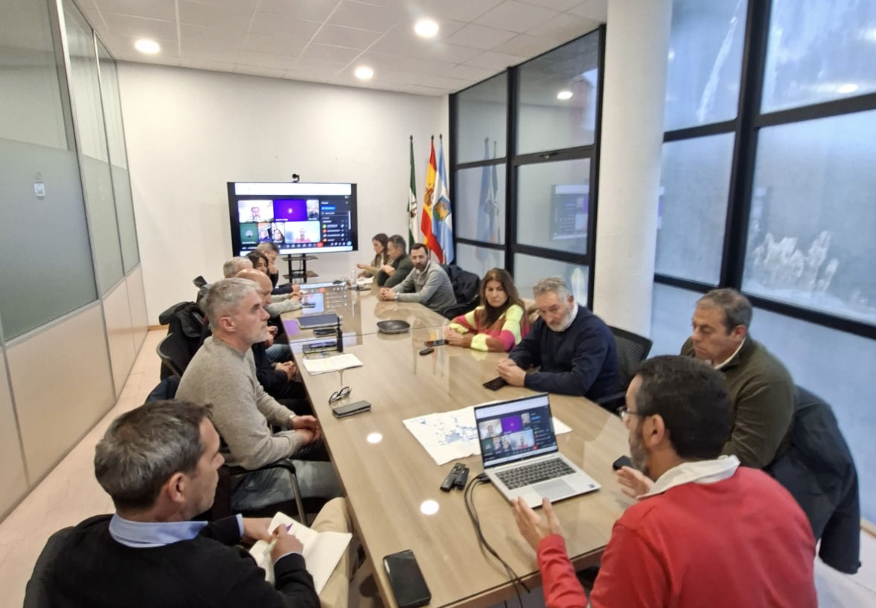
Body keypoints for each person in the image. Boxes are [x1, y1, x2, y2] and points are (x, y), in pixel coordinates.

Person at [512, 356, 817, 608]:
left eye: (628, 413)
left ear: (655, 429)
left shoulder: (645, 529)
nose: (626, 422)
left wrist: (549, 550)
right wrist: (661, 495)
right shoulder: (777, 494)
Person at [30, 400, 351, 608]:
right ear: (179, 487)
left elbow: (163, 540)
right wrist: (289, 560)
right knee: (340, 509)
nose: (221, 466)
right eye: (214, 457)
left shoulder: (75, 539)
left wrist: (235, 526)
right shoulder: (221, 575)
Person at [176, 278, 340, 511]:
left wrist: (291, 420)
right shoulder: (223, 371)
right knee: (344, 480)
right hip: (238, 481)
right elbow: (256, 455)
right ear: (228, 323)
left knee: (332, 447)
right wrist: (301, 437)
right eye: (256, 309)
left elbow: (258, 395)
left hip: (246, 459)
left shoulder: (236, 348)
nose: (265, 315)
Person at [682, 288, 795, 469]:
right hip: (695, 448)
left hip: (727, 473)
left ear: (737, 333)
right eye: (694, 326)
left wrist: (680, 454)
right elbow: (679, 397)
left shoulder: (767, 381)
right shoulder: (694, 349)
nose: (695, 336)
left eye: (706, 330)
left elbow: (747, 456)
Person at [498, 276, 618, 399]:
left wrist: (525, 379)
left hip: (590, 403)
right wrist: (514, 361)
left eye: (554, 309)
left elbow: (578, 382)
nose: (548, 319)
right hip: (554, 391)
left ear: (570, 301)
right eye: (542, 312)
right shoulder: (544, 320)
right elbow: (527, 347)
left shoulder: (593, 332)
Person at [445, 268, 528, 352]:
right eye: (490, 289)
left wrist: (465, 340)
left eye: (500, 289)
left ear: (508, 291)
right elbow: (456, 322)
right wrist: (455, 334)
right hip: (488, 359)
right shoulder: (482, 311)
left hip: (511, 361)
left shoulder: (515, 310)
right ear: (484, 292)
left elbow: (502, 344)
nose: (494, 295)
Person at [378, 243, 456, 314]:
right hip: (425, 309)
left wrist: (395, 296)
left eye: (421, 257)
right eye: (414, 258)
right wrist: (388, 291)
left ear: (428, 256)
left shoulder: (435, 272)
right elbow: (404, 285)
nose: (418, 261)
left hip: (441, 313)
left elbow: (422, 297)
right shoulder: (416, 269)